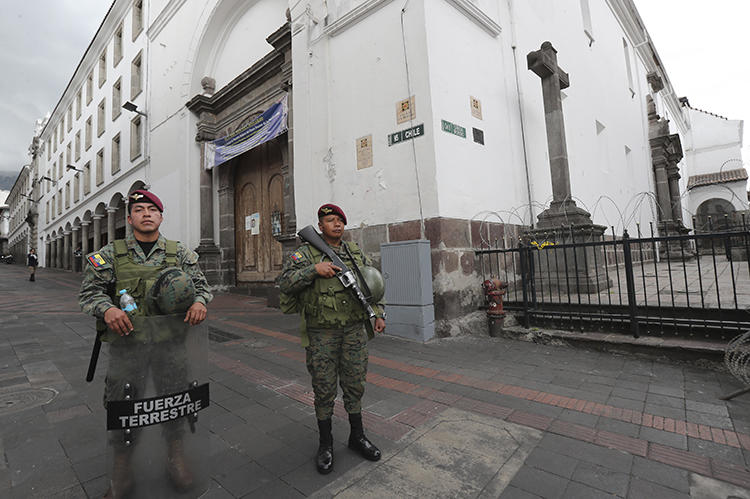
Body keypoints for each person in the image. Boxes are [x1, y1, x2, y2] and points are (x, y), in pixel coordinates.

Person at [78, 189, 213, 498]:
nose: (147, 214)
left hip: (170, 345)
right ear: (130, 218)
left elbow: (202, 287)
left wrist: (200, 302)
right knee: (123, 404)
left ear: (161, 217)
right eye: (139, 209)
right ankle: (122, 469)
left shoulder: (179, 253)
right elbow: (90, 292)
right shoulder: (112, 254)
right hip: (128, 346)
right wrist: (108, 308)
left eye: (152, 209)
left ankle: (175, 457)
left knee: (174, 398)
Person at [277, 203, 386, 474]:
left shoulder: (354, 252)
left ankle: (356, 436)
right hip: (321, 333)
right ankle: (325, 444)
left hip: (353, 331)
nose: (336, 224)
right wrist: (314, 270)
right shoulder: (304, 253)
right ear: (320, 225)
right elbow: (285, 283)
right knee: (324, 389)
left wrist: (378, 314)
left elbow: (371, 285)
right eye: (330, 220)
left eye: (340, 220)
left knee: (355, 384)